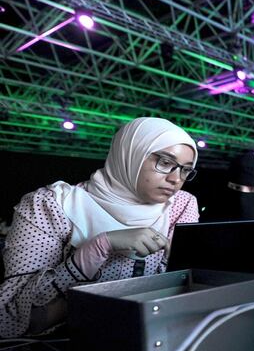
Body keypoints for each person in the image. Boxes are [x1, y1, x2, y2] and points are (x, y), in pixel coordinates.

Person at [0, 117, 200, 338]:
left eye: (185, 170)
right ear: (130, 154)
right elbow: (7, 318)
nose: (175, 179)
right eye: (164, 162)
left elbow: (182, 295)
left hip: (149, 341)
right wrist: (97, 248)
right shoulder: (51, 205)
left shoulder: (181, 205)